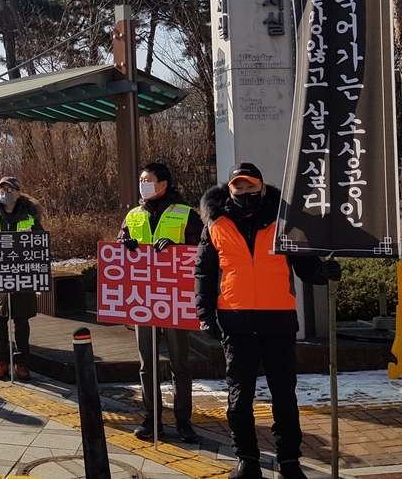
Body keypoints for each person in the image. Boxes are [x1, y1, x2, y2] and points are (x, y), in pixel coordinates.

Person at [196, 162, 341, 479]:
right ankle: (247, 460)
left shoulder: (284, 223)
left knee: (285, 397)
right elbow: (204, 275)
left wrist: (323, 273)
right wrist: (205, 314)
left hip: (278, 322)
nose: (244, 192)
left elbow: (306, 266)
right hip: (235, 322)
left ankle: (289, 461)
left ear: (262, 188)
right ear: (230, 190)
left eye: (250, 186)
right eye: (238, 187)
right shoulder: (216, 225)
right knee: (239, 398)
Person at [117, 162, 204, 443]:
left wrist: (177, 250)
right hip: (144, 300)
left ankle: (183, 421)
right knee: (147, 363)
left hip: (175, 299)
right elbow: (118, 250)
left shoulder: (186, 214)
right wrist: (125, 246)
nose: (143, 183)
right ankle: (151, 419)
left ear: (164, 184)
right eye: (141, 179)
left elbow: (204, 251)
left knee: (180, 363)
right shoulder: (133, 216)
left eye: (148, 179)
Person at [0, 176, 41, 382]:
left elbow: (40, 243)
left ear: (19, 192)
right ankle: (1, 361)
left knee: (22, 321)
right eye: (2, 188)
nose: (6, 192)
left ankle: (21, 363)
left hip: (22, 272)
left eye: (11, 189)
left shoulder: (29, 216)